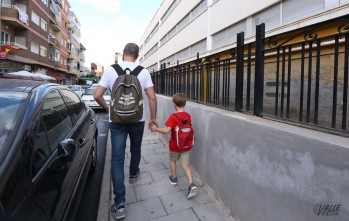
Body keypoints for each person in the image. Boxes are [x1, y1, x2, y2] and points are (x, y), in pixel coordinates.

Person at [94, 43, 158, 220]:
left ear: (123, 54)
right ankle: (133, 173)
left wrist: (109, 109)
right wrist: (153, 117)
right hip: (138, 119)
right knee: (136, 149)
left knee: (117, 158)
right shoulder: (143, 72)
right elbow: (152, 97)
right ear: (137, 55)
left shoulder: (110, 70)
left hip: (117, 121)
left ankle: (120, 203)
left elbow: (97, 95)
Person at [150, 93, 197, 199]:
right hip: (186, 145)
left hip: (175, 145)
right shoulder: (188, 116)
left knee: (173, 160)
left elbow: (166, 131)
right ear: (184, 104)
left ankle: (174, 178)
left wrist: (156, 129)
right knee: (185, 165)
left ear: (174, 104)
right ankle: (191, 184)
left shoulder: (173, 117)